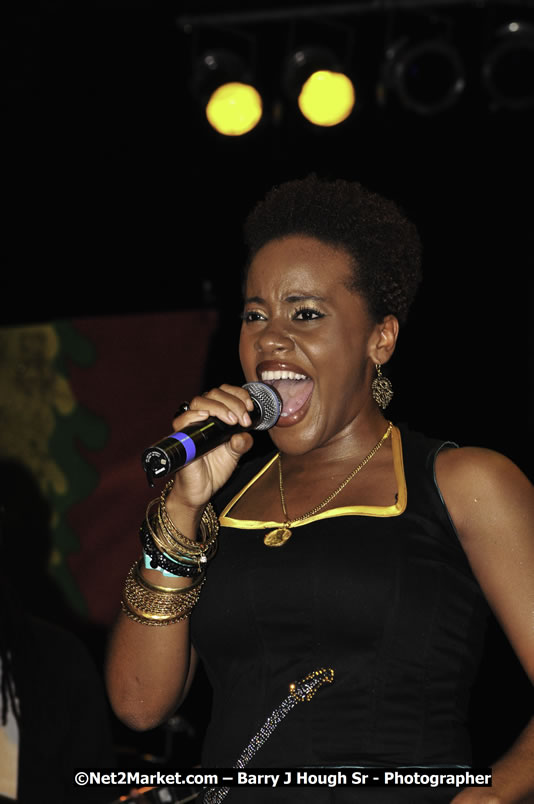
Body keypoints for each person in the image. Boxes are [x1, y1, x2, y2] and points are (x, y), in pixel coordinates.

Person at [106, 175, 534, 803]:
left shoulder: (463, 481)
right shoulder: (219, 500)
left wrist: (492, 794)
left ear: (379, 339)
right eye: (255, 314)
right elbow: (138, 703)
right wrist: (182, 506)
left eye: (305, 313)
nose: (270, 338)